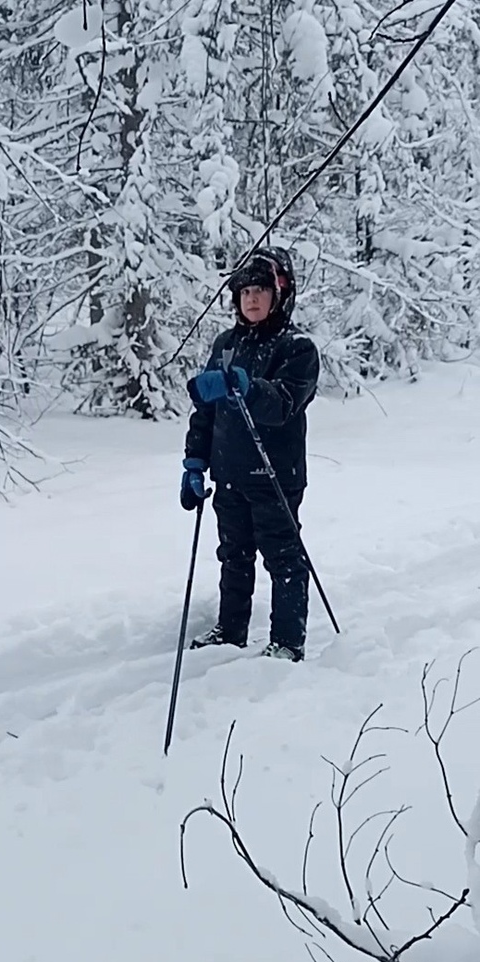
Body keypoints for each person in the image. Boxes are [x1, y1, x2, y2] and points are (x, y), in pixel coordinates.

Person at [180, 246, 319, 662]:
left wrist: (248, 386)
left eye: (260, 289)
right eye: (244, 291)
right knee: (233, 556)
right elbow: (205, 410)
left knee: (283, 558)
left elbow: (283, 405)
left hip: (275, 475)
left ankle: (288, 642)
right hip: (230, 474)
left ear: (280, 294)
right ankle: (231, 630)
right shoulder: (226, 343)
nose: (252, 299)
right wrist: (194, 462)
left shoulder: (297, 348)